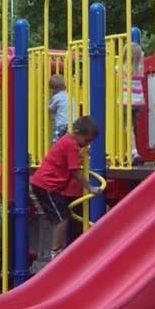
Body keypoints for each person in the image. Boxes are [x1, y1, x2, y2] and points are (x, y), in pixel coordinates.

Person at [30, 115, 100, 260]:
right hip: (46, 185)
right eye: (86, 141)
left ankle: (60, 248)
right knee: (61, 219)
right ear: (77, 132)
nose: (86, 145)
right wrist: (90, 187)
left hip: (48, 185)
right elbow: (75, 171)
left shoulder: (68, 142)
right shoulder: (71, 145)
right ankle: (56, 252)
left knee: (61, 217)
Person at [122, 42, 146, 164]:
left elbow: (115, 70)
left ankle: (133, 151)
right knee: (133, 127)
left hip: (128, 101)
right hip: (139, 102)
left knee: (128, 127)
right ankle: (130, 150)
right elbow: (141, 55)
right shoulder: (140, 68)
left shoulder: (124, 67)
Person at [48, 73, 69, 143]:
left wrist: (48, 103)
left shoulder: (56, 97)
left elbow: (50, 109)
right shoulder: (68, 95)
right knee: (68, 140)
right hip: (72, 123)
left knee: (57, 141)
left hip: (62, 124)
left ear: (52, 89)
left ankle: (56, 150)